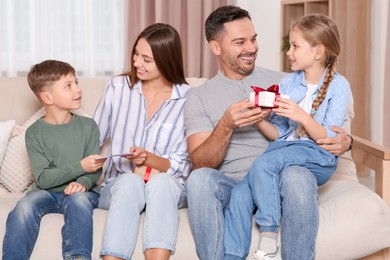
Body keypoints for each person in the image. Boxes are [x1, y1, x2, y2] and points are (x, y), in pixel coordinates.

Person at [183, 5, 353, 260]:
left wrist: (347, 142)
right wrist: (226, 125)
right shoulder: (199, 96)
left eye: (253, 39)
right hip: (234, 185)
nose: (251, 48)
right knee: (198, 180)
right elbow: (200, 163)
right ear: (216, 47)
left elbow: (323, 120)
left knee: (296, 175)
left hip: (282, 179)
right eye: (240, 42)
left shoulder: (289, 81)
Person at [94, 23, 190, 260]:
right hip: (119, 185)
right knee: (129, 182)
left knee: (163, 184)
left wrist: (149, 159)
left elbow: (182, 166)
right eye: (136, 54)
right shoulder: (118, 88)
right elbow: (92, 138)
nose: (137, 63)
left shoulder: (188, 99)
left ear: (167, 59)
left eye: (147, 59)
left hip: (167, 188)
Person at [2, 60, 103, 260]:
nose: (77, 89)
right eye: (68, 85)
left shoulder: (89, 126)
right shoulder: (34, 133)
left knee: (79, 202)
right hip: (46, 192)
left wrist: (82, 182)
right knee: (24, 206)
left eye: (76, 82)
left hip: (82, 191)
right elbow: (44, 179)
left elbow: (95, 168)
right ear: (47, 97)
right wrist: (79, 166)